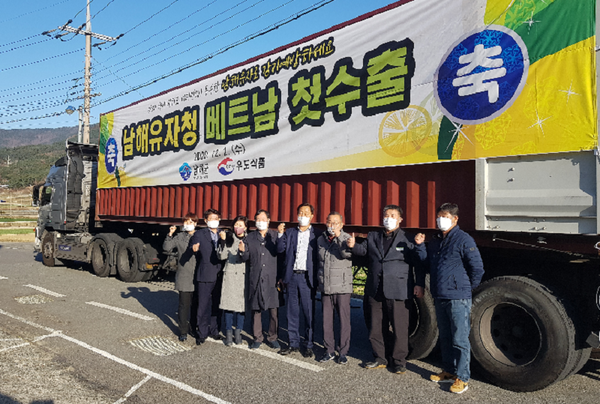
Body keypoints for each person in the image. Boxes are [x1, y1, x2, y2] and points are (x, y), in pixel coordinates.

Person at [347, 204, 425, 374]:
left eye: (392, 215)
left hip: (398, 289)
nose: (388, 218)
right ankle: (380, 358)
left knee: (399, 327)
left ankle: (399, 361)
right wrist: (353, 245)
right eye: (386, 215)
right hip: (376, 288)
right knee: (376, 326)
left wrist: (419, 283)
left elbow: (418, 263)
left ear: (400, 219)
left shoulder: (407, 239)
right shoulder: (374, 236)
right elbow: (363, 251)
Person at [426, 203, 484, 394]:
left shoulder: (463, 239)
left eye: (445, 216)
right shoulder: (436, 240)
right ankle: (449, 371)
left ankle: (463, 377)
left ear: (455, 218)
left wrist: (466, 288)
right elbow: (428, 264)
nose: (440, 220)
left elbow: (477, 268)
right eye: (439, 216)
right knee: (445, 336)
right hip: (440, 295)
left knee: (460, 338)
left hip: (458, 297)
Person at [277, 203, 321, 358]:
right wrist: (280, 234)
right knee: (292, 312)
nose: (303, 215)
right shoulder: (289, 232)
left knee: (309, 313)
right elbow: (280, 250)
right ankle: (293, 342)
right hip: (292, 276)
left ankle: (308, 344)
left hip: (307, 278)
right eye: (300, 212)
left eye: (306, 212)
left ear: (312, 216)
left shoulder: (317, 234)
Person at [240, 210, 281, 350]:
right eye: (257, 219)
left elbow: (282, 255)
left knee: (273, 309)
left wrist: (281, 276)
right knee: (256, 309)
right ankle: (257, 337)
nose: (260, 221)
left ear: (269, 220)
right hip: (255, 277)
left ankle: (273, 337)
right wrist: (242, 251)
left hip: (272, 278)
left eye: (263, 218)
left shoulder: (275, 236)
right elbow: (244, 258)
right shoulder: (250, 238)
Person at [317, 212, 353, 365]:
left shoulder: (346, 239)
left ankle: (343, 351)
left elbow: (346, 254)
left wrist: (338, 237)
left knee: (344, 320)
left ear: (341, 224)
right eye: (330, 222)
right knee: (326, 320)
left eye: (336, 222)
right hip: (326, 285)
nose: (332, 225)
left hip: (342, 286)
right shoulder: (321, 239)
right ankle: (329, 350)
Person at [190, 208, 224, 345]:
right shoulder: (199, 234)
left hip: (220, 273)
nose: (213, 221)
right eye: (210, 219)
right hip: (205, 273)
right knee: (203, 305)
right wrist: (193, 248)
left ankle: (215, 330)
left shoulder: (223, 234)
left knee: (217, 304)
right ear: (205, 220)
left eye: (216, 219)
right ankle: (202, 332)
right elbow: (192, 245)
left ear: (219, 220)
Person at [163, 212, 199, 341]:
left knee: (196, 305)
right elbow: (167, 248)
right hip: (184, 274)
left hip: (198, 275)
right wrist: (170, 234)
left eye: (191, 222)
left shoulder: (200, 236)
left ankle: (194, 328)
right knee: (184, 305)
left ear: (196, 223)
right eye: (186, 222)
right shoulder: (179, 237)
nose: (188, 224)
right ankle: (183, 330)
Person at [217, 216, 248, 347]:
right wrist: (223, 242)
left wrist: (243, 251)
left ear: (246, 227)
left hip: (242, 275)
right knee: (228, 306)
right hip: (229, 274)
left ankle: (238, 332)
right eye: (236, 224)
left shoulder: (249, 239)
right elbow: (221, 256)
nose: (238, 227)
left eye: (241, 225)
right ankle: (228, 333)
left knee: (241, 307)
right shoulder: (228, 238)